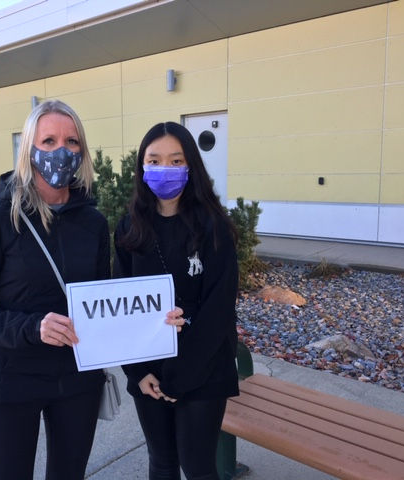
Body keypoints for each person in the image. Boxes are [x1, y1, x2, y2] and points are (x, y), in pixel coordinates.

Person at [0, 99, 110, 480]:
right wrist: (32, 328)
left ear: (82, 151)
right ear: (29, 149)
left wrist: (155, 322)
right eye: (49, 141)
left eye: (72, 142)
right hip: (12, 378)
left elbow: (104, 301)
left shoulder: (93, 223)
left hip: (77, 381)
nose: (62, 151)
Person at [113, 121, 240, 480]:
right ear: (141, 166)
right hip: (149, 371)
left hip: (202, 368)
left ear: (190, 166)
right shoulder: (129, 227)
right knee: (162, 461)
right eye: (154, 160)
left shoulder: (213, 227)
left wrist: (180, 377)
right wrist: (137, 372)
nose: (164, 169)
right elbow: (120, 305)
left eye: (175, 160)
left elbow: (218, 311)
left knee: (197, 467)